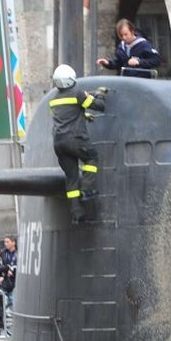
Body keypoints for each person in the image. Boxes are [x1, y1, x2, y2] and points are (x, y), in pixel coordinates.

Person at [49, 64, 107, 223]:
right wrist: (100, 94)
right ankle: (87, 190)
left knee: (71, 177)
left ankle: (77, 213)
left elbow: (66, 114)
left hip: (59, 143)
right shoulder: (78, 94)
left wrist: (84, 115)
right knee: (91, 158)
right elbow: (99, 106)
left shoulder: (54, 100)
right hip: (74, 139)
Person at [96, 19, 161, 77]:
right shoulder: (121, 46)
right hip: (126, 80)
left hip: (141, 80)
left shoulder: (143, 44)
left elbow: (156, 60)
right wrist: (107, 63)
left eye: (126, 34)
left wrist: (139, 62)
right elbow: (118, 63)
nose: (124, 37)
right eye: (121, 35)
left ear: (132, 32)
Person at [1, 235, 18, 308]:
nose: (5, 244)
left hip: (17, 279)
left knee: (14, 300)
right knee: (10, 299)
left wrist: (12, 270)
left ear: (13, 242)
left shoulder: (18, 252)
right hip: (7, 280)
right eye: (4, 242)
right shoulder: (4, 253)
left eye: (7, 242)